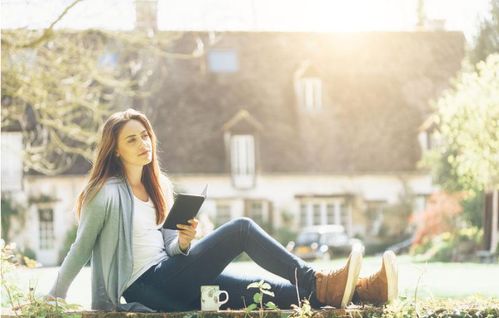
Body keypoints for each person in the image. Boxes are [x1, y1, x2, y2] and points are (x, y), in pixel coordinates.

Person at [48, 108, 398, 312]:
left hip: (176, 278)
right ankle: (318, 282)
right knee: (241, 228)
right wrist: (52, 300)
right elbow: (80, 248)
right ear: (115, 151)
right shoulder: (105, 193)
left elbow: (171, 249)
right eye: (131, 139)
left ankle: (365, 291)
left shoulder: (160, 189)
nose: (143, 144)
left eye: (145, 136)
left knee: (263, 290)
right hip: (146, 287)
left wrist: (184, 240)